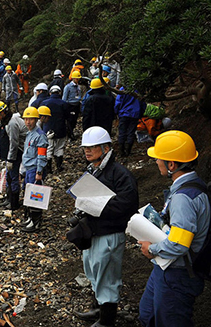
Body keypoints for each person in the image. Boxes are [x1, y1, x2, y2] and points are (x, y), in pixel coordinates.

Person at [138, 130, 209, 327]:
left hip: (178, 275)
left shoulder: (182, 198)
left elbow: (179, 244)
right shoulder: (193, 186)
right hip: (167, 269)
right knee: (148, 314)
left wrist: (151, 250)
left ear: (171, 164)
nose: (155, 162)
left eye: (158, 159)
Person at [73, 126, 139, 327]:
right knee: (93, 271)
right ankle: (97, 309)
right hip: (93, 232)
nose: (87, 151)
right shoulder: (93, 169)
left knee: (107, 277)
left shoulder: (120, 174)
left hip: (109, 233)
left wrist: (96, 204)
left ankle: (107, 321)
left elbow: (128, 205)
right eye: (86, 147)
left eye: (92, 147)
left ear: (105, 147)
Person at [0, 101, 28, 211]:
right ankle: (9, 198)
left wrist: (11, 160)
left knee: (13, 177)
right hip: (15, 151)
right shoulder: (6, 121)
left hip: (19, 151)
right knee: (8, 176)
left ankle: (14, 203)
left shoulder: (12, 123)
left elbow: (14, 143)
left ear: (3, 112)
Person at [19, 106, 49, 232]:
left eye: (31, 119)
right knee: (28, 195)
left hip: (34, 169)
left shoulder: (40, 135)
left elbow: (41, 156)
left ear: (36, 120)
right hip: (28, 168)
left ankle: (36, 222)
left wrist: (39, 172)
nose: (28, 122)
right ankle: (30, 218)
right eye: (26, 119)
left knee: (35, 196)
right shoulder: (29, 133)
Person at [41, 85, 70, 173]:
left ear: (50, 93)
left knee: (49, 148)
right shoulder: (63, 103)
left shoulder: (44, 102)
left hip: (48, 129)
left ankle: (48, 168)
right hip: (61, 129)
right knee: (59, 148)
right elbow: (68, 117)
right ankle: (59, 166)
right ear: (59, 93)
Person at [114, 87, 145, 159]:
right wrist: (141, 113)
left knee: (122, 132)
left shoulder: (123, 89)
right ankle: (128, 150)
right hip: (135, 114)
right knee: (131, 132)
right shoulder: (139, 90)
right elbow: (143, 102)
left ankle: (122, 151)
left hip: (124, 114)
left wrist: (116, 112)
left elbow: (118, 102)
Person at [63, 70, 83, 140]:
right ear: (74, 78)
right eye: (77, 79)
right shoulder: (68, 87)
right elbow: (64, 98)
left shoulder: (78, 87)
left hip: (76, 105)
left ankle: (71, 132)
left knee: (74, 120)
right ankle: (70, 135)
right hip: (70, 105)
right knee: (70, 121)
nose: (78, 80)